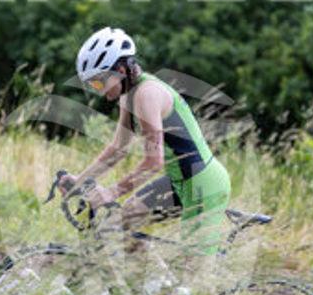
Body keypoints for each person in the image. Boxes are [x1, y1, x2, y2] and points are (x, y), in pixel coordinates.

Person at [60, 27, 231, 255]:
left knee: (194, 273)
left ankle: (184, 278)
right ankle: (154, 277)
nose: (99, 92)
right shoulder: (128, 95)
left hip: (203, 184)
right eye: (92, 86)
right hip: (178, 182)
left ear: (120, 70)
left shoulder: (147, 94)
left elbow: (153, 162)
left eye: (99, 83)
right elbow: (118, 148)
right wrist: (79, 182)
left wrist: (111, 192)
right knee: (118, 224)